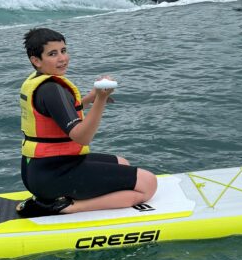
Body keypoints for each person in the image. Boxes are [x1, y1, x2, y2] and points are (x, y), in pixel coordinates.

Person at [17, 27, 158, 217]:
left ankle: (56, 199)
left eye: (64, 51)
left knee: (122, 163)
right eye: (53, 54)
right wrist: (100, 99)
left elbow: (58, 114)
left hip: (39, 171)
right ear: (36, 60)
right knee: (148, 184)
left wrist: (90, 98)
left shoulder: (39, 83)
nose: (62, 58)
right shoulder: (52, 89)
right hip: (54, 175)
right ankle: (66, 207)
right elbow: (82, 137)